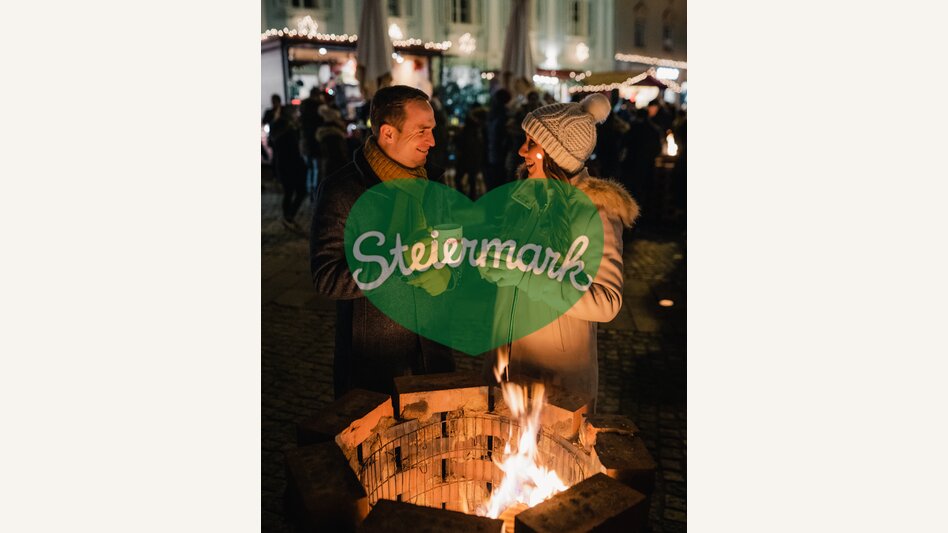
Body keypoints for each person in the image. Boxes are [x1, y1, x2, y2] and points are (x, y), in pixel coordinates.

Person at [481, 93, 639, 412]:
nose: (521, 150)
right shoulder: (526, 196)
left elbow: (606, 302)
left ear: (556, 153)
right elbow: (513, 268)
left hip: (555, 379)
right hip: (504, 365)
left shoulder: (595, 212)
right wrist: (492, 265)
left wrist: (526, 275)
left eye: (531, 143)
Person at [310, 85, 456, 398]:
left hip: (434, 354)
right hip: (374, 364)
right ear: (388, 133)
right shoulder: (343, 190)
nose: (432, 141)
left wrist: (449, 275)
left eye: (432, 130)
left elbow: (453, 253)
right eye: (422, 131)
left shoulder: (433, 182)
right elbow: (326, 278)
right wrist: (397, 262)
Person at [268, 104, 308, 231]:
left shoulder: (278, 126)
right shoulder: (289, 128)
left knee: (290, 191)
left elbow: (272, 144)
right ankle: (288, 217)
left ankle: (288, 216)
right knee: (299, 191)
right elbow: (293, 148)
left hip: (283, 163)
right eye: (295, 112)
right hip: (291, 163)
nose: (296, 114)